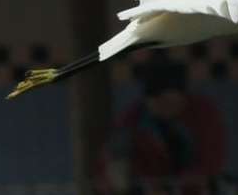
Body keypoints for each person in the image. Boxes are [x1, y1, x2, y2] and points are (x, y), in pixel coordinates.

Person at [95, 55, 226, 195]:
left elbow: (211, 162)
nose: (165, 109)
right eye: (159, 102)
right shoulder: (134, 118)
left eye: (170, 103)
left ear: (183, 97)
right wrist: (115, 175)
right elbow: (110, 160)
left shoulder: (203, 113)